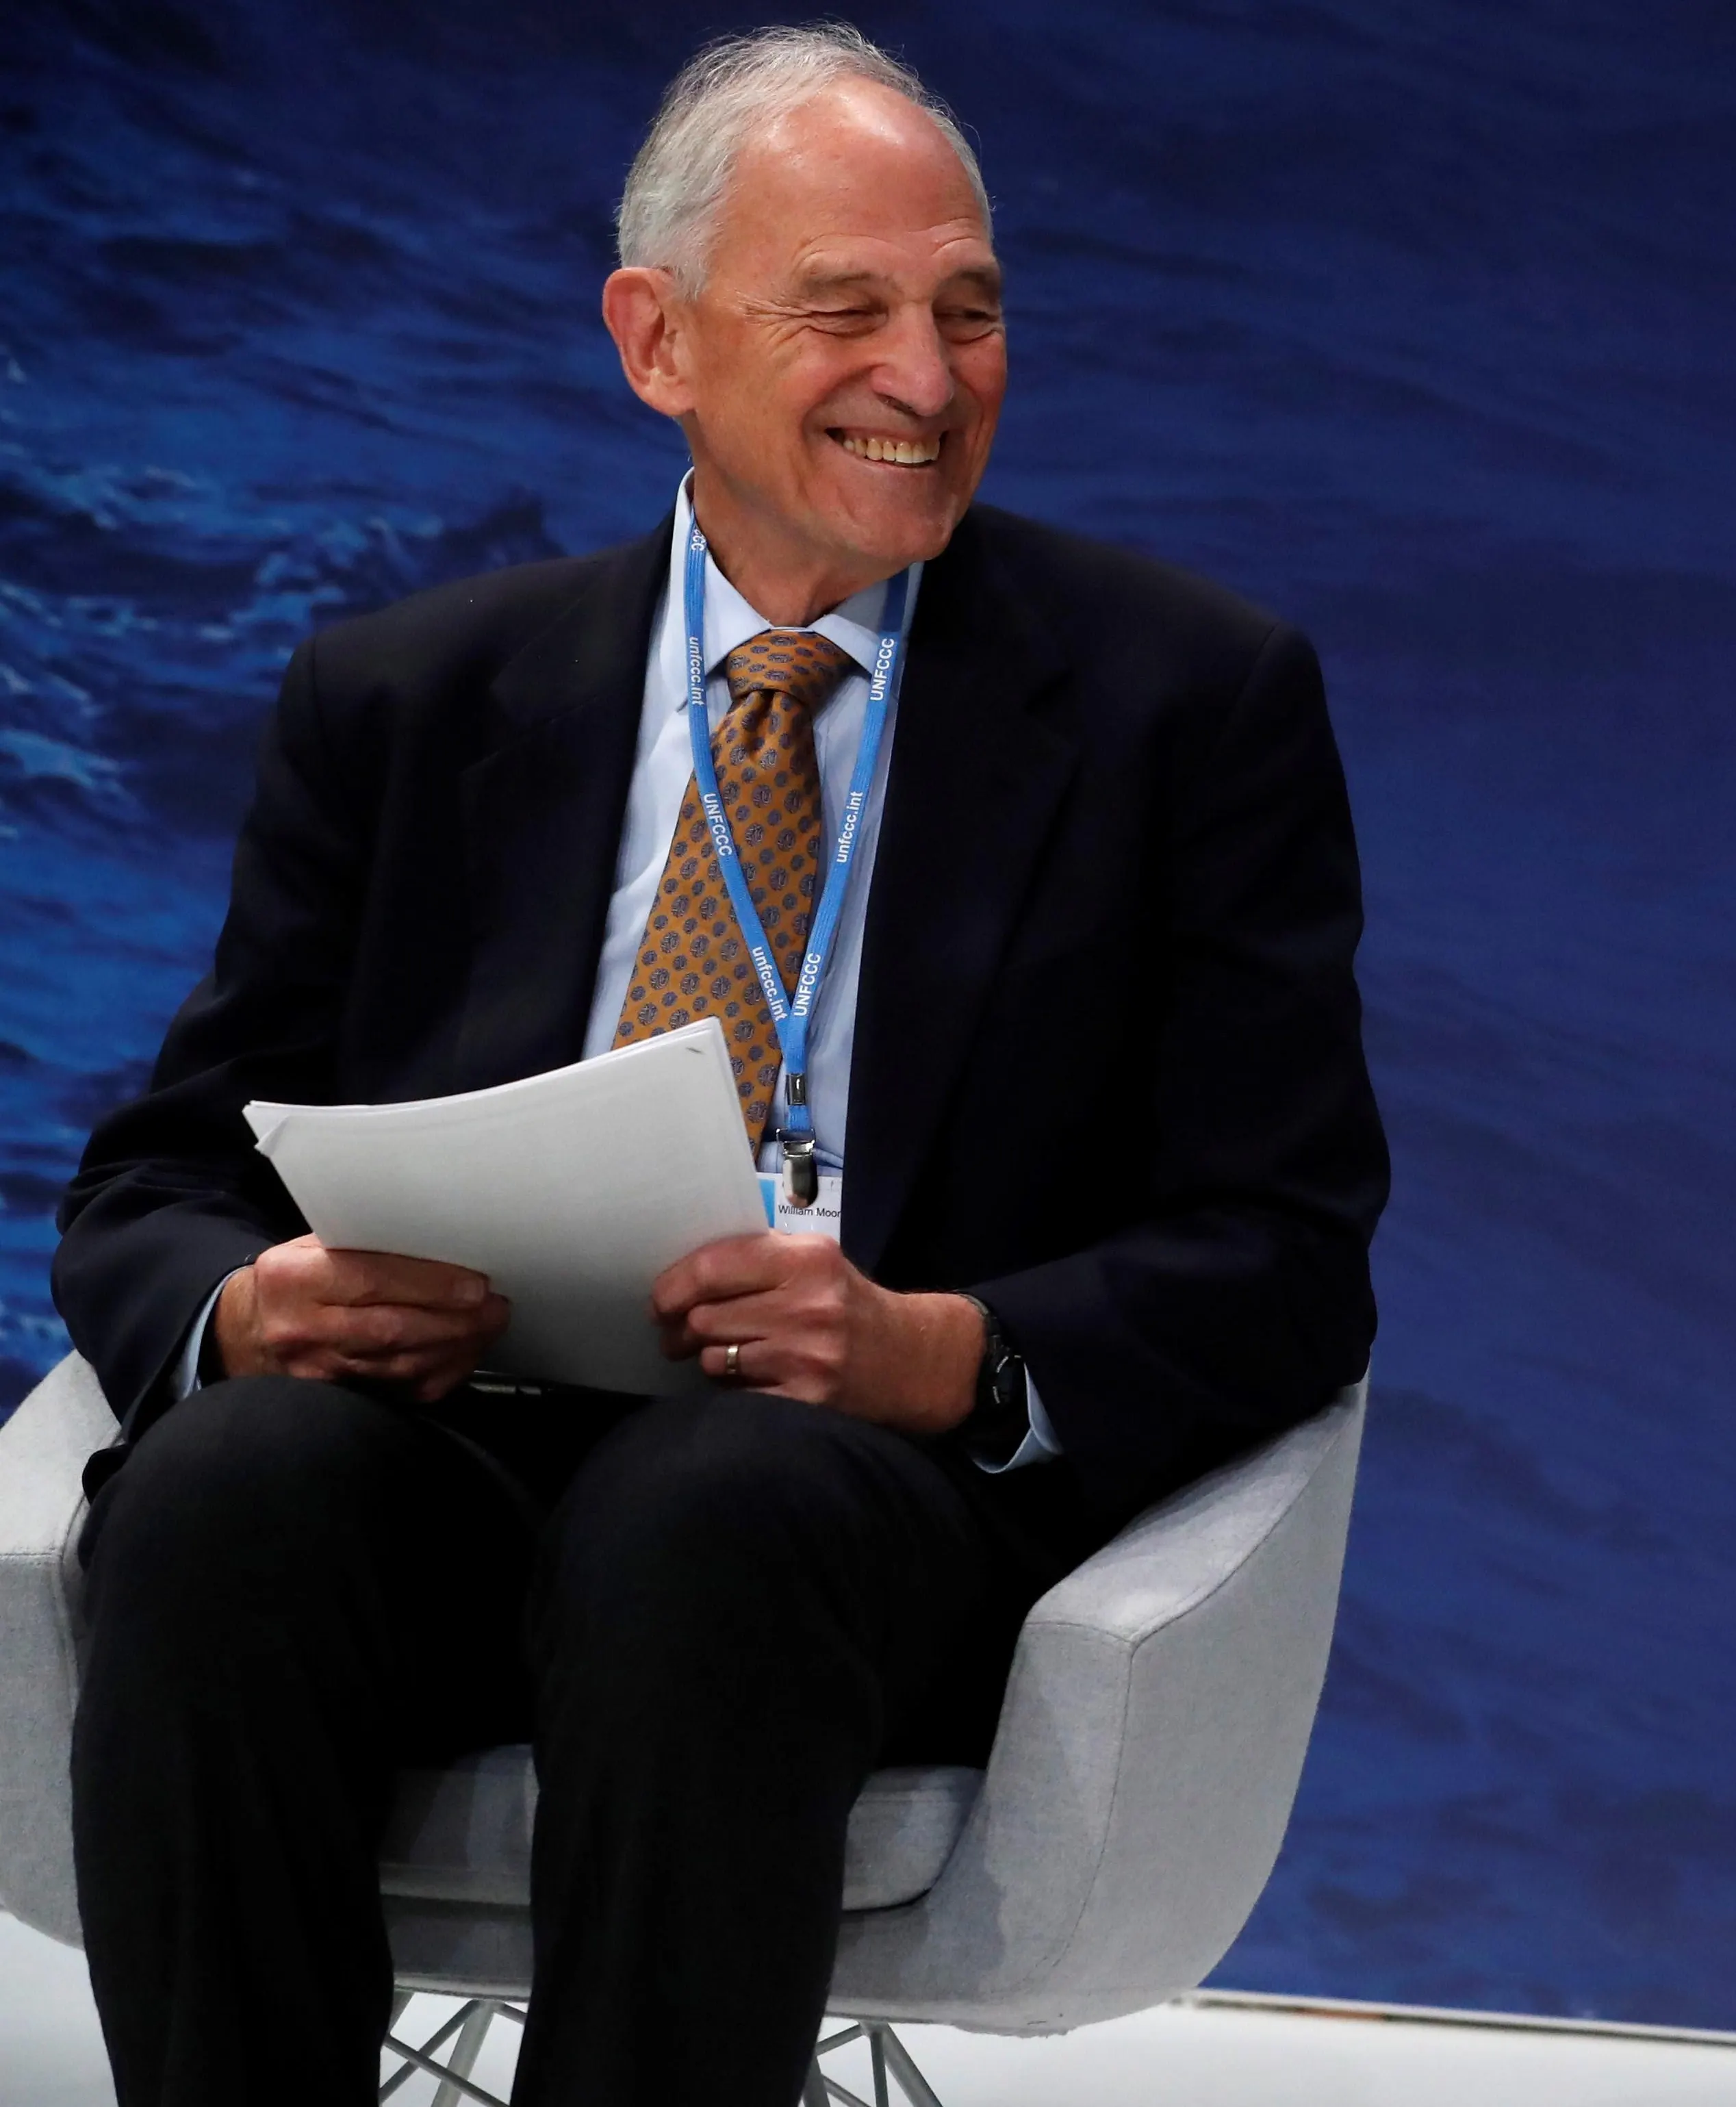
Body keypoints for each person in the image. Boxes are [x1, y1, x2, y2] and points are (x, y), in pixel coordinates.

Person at [47, 24, 1386, 2106]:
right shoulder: (405, 696)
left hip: (861, 1519)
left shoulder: (1187, 705)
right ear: (655, 340)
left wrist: (944, 1349)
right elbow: (149, 1181)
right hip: (464, 1460)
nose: (927, 380)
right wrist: (248, 1304)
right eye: (845, 308)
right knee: (225, 1485)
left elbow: (1293, 1250)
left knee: (711, 1502)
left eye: (971, 311)